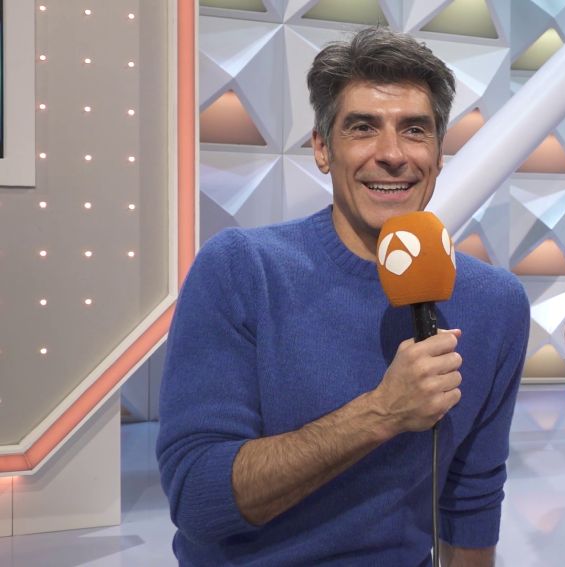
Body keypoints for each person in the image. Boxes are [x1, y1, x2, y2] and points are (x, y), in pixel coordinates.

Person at [156, 27, 529, 566]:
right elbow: (198, 498)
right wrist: (380, 413)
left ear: (439, 153)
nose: (392, 154)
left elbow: (472, 498)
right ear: (322, 148)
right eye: (362, 128)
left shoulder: (496, 301)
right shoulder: (241, 269)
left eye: (415, 130)